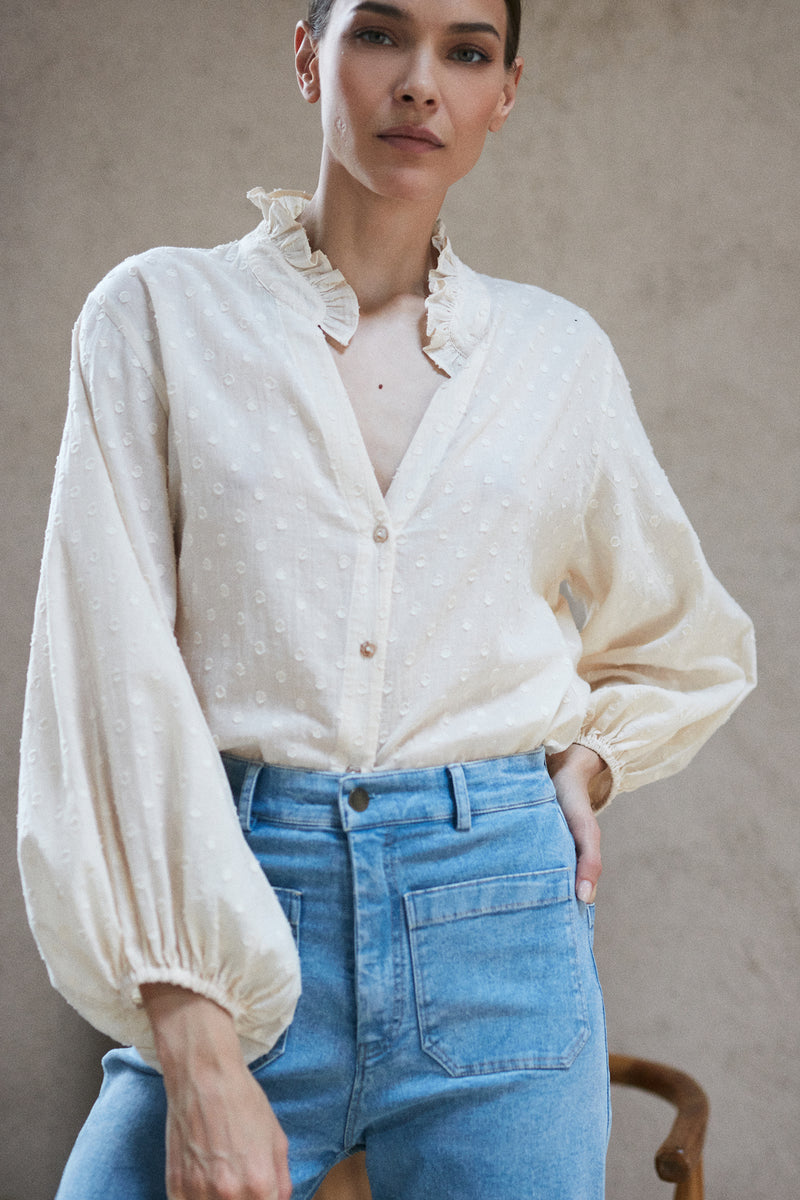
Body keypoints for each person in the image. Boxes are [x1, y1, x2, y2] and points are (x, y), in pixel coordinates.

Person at [17, 2, 755, 1198]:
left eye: (465, 52)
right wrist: (194, 1039)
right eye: (379, 36)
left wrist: (590, 763)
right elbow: (104, 680)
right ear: (308, 56)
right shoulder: (157, 315)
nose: (420, 83)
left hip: (502, 921)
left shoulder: (553, 356)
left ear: (502, 92)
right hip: (237, 904)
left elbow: (684, 642)